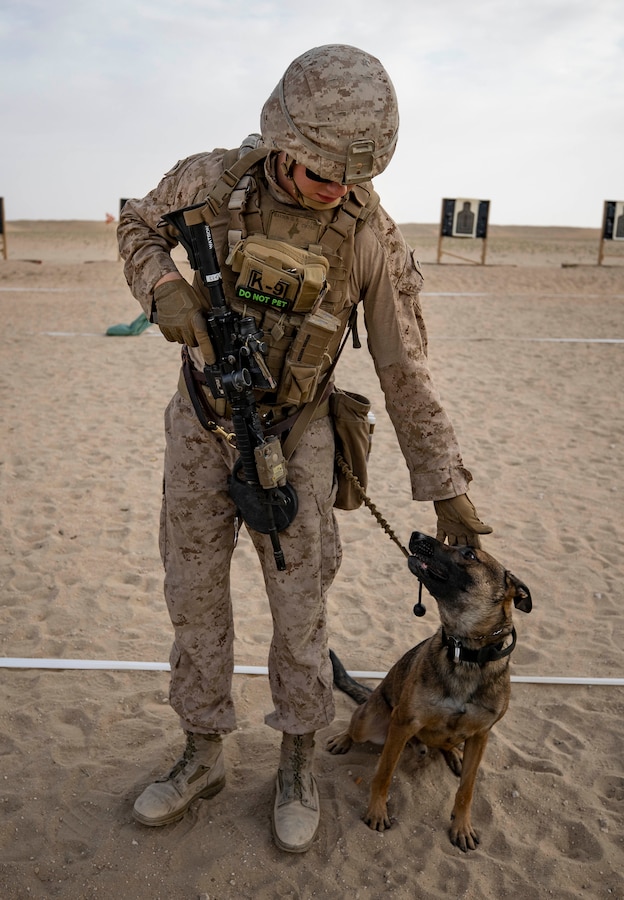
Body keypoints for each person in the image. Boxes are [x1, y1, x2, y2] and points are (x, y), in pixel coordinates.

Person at [117, 43, 492, 854]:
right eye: (324, 170)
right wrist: (164, 289)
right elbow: (136, 222)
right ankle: (203, 752)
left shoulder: (369, 236)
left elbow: (404, 367)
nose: (339, 187)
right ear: (284, 141)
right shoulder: (209, 182)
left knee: (300, 610)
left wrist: (443, 483)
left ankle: (295, 759)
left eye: (353, 176)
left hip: (300, 432)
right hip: (201, 424)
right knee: (195, 599)